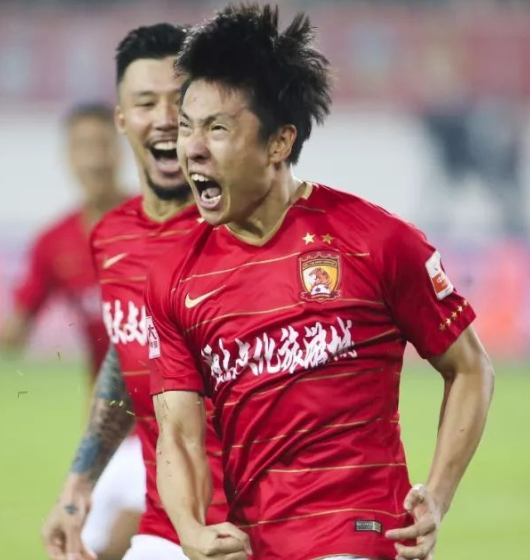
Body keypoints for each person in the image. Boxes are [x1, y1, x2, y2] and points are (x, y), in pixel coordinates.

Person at [146, 5, 495, 560]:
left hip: (361, 534)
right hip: (254, 544)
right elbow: (181, 435)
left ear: (278, 143)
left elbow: (470, 367)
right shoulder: (176, 277)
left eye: (217, 129)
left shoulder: (377, 241)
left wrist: (439, 493)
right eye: (187, 127)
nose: (191, 148)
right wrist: (190, 529)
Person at [41, 24, 229, 560]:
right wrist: (79, 484)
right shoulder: (113, 236)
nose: (166, 118)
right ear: (123, 119)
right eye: (147, 102)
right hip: (166, 524)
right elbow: (130, 359)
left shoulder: (243, 230)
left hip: (251, 524)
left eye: (181, 102)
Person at [0, 104, 138, 560]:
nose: (94, 159)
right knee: (78, 550)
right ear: (68, 157)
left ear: (120, 151)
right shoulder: (55, 242)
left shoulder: (155, 225)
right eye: (83, 147)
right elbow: (16, 326)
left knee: (121, 544)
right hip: (106, 429)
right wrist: (9, 330)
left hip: (167, 424)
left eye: (102, 145)